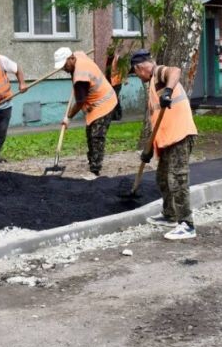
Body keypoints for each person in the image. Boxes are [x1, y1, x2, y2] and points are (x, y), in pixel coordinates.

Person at [130, 50, 199, 240]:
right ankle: (170, 215)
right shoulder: (153, 85)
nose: (137, 76)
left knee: (177, 179)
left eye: (135, 72)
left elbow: (175, 71)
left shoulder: (158, 72)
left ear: (140, 67)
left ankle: (187, 224)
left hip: (181, 134)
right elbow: (156, 122)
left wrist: (168, 91)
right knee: (162, 177)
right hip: (168, 138)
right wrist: (149, 149)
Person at [54, 47, 118, 179]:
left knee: (96, 136)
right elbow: (81, 52)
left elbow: (79, 102)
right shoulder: (78, 56)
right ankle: (92, 162)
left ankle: (95, 170)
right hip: (95, 103)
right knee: (89, 133)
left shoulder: (80, 76)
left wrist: (68, 117)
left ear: (71, 59)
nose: (64, 69)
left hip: (104, 103)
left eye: (64, 65)